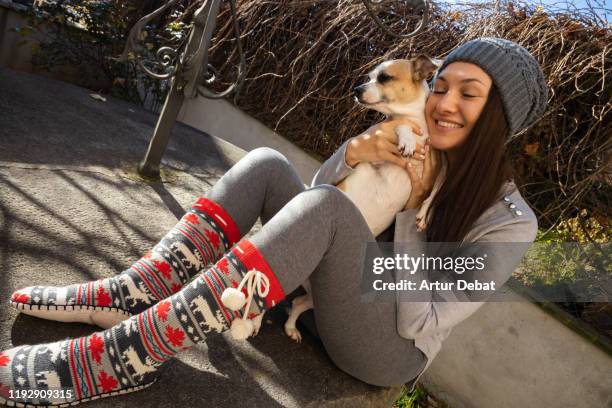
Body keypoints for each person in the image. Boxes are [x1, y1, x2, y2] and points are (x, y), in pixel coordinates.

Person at [0, 37, 548, 406]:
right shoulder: (408, 138)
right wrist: (355, 155)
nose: (444, 102)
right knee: (266, 166)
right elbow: (305, 214)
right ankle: (135, 291)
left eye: (469, 94)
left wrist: (412, 211)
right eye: (443, 86)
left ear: (499, 117)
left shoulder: (509, 222)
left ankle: (131, 354)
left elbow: (420, 321)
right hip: (312, 295)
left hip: (382, 347)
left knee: (331, 211)